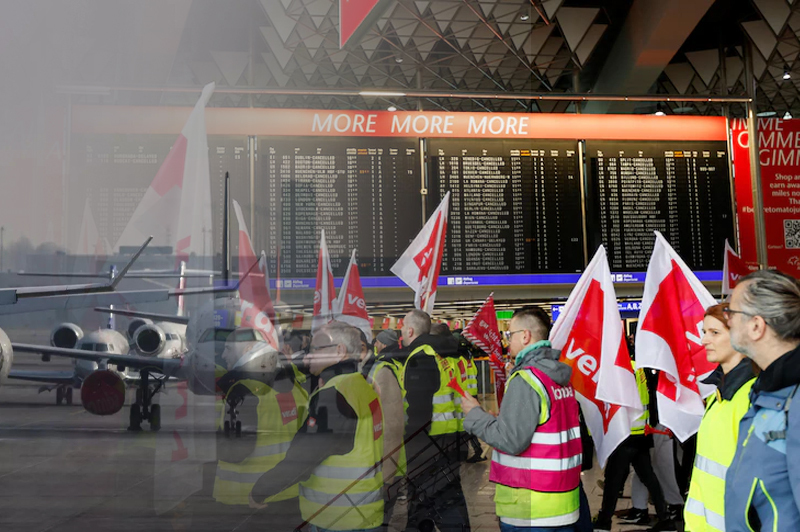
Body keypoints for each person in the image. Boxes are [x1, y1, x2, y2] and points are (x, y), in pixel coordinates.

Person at [249, 321, 385, 532]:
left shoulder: (333, 394)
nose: (307, 356)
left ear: (339, 351)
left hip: (337, 516)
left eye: (314, 349)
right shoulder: (361, 385)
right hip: (363, 509)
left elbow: (305, 455)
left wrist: (261, 489)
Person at [461, 306, 583, 531]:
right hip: (563, 502)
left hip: (530, 507)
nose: (507, 340)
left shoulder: (526, 379)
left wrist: (475, 414)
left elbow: (511, 441)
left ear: (525, 336)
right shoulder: (559, 377)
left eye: (510, 334)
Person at [724, 270, 800, 531]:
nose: (727, 321)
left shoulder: (795, 400)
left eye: (730, 313)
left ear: (757, 326)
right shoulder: (766, 392)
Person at [682, 303, 756, 531]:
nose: (704, 340)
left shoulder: (753, 396)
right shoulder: (718, 395)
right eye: (704, 332)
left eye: (715, 333)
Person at [400, 309, 471, 531]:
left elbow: (418, 409)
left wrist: (412, 448)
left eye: (402, 326)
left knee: (440, 505)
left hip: (429, 446)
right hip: (452, 438)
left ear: (410, 330)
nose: (401, 331)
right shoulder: (449, 353)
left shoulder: (420, 356)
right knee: (440, 502)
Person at [592, 359, 675, 532]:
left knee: (613, 481)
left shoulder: (622, 367)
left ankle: (604, 521)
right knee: (648, 477)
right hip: (639, 432)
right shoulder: (636, 366)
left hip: (626, 433)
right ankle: (665, 519)